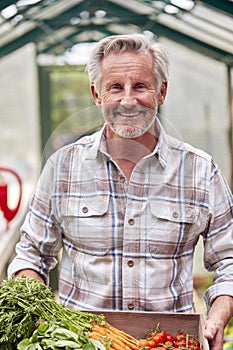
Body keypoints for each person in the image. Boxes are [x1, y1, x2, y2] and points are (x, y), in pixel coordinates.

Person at [8, 34, 233, 350]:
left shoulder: (200, 171)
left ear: (162, 92)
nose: (128, 100)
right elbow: (31, 254)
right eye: (115, 87)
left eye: (140, 86)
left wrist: (218, 316)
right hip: (80, 342)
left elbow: (229, 260)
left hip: (168, 342)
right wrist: (40, 313)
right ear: (96, 95)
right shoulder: (62, 167)